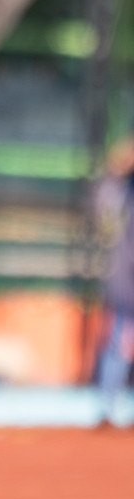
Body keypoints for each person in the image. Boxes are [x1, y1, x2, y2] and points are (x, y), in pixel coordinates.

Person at [94, 139, 134, 425]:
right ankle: (109, 405)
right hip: (126, 284)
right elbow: (104, 216)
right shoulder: (121, 191)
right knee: (120, 339)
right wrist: (114, 172)